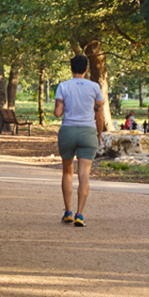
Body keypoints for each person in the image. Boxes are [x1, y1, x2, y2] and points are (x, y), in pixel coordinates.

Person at [54, 54, 105, 228]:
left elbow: (58, 113)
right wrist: (99, 134)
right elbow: (99, 115)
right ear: (86, 69)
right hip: (88, 131)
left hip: (68, 131)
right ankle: (80, 214)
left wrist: (59, 104)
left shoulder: (63, 86)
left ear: (71, 69)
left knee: (67, 171)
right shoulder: (95, 87)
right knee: (84, 174)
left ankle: (67, 211)